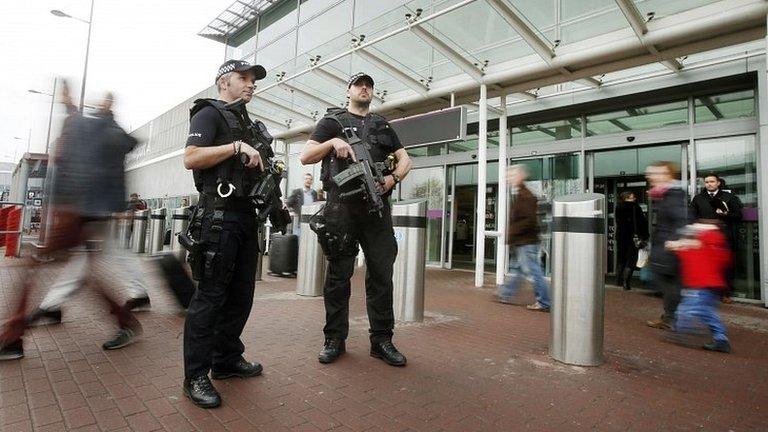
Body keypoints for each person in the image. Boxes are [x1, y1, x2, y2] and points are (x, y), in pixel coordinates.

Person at [0, 87, 144, 360]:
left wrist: (67, 207)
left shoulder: (100, 130)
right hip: (85, 211)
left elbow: (87, 166)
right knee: (82, 272)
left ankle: (13, 335)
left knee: (38, 264)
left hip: (80, 210)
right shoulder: (94, 128)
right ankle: (125, 321)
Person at [299, 72, 412, 367]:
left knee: (381, 276)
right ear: (348, 90)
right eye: (359, 84)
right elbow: (306, 156)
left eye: (370, 85)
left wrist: (392, 179)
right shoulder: (332, 122)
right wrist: (332, 143)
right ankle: (334, 339)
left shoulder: (382, 124)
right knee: (338, 278)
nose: (365, 88)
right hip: (341, 211)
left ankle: (382, 341)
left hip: (376, 210)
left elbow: (405, 159)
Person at [181, 60, 271, 408]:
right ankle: (196, 376)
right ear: (224, 82)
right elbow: (190, 158)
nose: (251, 85)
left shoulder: (247, 123)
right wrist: (235, 148)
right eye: (244, 79)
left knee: (241, 294)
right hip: (218, 217)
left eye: (253, 81)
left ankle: (226, 359)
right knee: (210, 297)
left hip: (247, 218)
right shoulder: (209, 114)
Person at [665, 220, 732, 353]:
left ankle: (681, 331)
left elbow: (684, 251)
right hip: (711, 284)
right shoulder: (713, 243)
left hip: (701, 284)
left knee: (691, 309)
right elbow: (724, 260)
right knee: (705, 311)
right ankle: (719, 338)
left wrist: (674, 245)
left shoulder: (699, 242)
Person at [497, 164, 551, 312]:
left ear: (521, 176)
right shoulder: (522, 194)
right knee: (518, 269)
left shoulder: (526, 196)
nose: (509, 178)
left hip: (526, 241)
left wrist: (513, 233)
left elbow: (528, 220)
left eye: (512, 175)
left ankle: (545, 301)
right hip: (523, 240)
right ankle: (506, 293)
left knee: (533, 271)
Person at [645, 161, 689, 330]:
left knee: (670, 286)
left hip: (669, 249)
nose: (650, 177)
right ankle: (671, 317)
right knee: (667, 285)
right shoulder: (663, 195)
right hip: (665, 247)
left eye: (654, 174)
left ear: (666, 175)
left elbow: (681, 219)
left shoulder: (673, 195)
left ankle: (674, 318)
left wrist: (675, 241)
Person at [690, 173, 743, 302]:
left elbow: (738, 216)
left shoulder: (729, 197)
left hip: (723, 236)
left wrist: (726, 214)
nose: (709, 184)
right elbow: (691, 216)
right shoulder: (698, 198)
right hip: (704, 236)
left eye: (712, 181)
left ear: (718, 183)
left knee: (725, 266)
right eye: (707, 182)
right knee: (705, 265)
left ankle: (725, 293)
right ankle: (706, 293)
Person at [614, 191, 648, 290]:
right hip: (633, 237)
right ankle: (626, 283)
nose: (634, 199)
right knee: (631, 260)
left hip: (621, 237)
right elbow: (642, 223)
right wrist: (644, 235)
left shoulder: (618, 207)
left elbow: (619, 223)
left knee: (621, 259)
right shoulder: (635, 207)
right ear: (626, 198)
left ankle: (619, 281)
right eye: (632, 197)